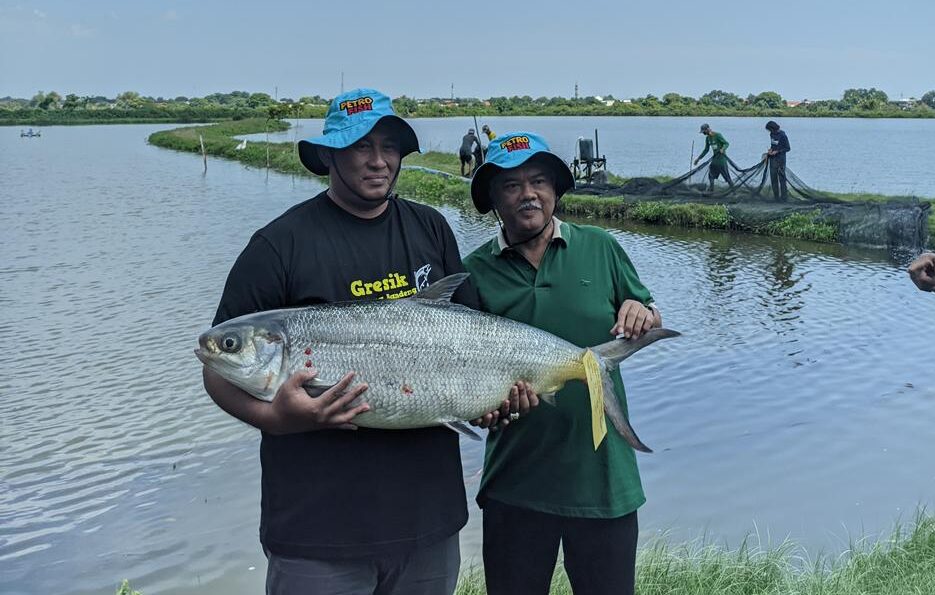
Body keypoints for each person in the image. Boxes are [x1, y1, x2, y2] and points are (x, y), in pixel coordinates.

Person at [202, 88, 527, 595]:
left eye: (389, 147)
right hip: (316, 531)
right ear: (329, 155)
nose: (378, 161)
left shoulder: (430, 227)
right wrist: (277, 418)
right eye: (361, 146)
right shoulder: (278, 245)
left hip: (428, 521)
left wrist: (492, 401)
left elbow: (470, 341)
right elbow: (216, 366)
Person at [463, 131, 664, 595]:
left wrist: (643, 312)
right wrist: (490, 408)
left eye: (539, 181)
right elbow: (469, 382)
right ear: (492, 200)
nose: (528, 194)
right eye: (511, 185)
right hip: (515, 482)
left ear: (555, 190)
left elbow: (648, 314)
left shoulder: (600, 246)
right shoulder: (472, 272)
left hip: (603, 482)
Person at [693, 123, 733, 194]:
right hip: (715, 160)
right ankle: (711, 190)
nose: (704, 133)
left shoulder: (717, 135)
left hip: (722, 160)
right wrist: (698, 159)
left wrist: (723, 149)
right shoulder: (708, 138)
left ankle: (733, 191)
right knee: (711, 175)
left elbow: (726, 143)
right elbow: (706, 150)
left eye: (704, 131)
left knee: (727, 177)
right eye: (703, 132)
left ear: (708, 129)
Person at [765, 120, 791, 201]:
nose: (770, 131)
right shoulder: (772, 134)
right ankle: (776, 197)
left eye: (770, 129)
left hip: (780, 160)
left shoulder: (783, 136)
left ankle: (784, 197)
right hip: (772, 159)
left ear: (774, 128)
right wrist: (770, 150)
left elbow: (788, 148)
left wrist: (777, 151)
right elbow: (773, 145)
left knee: (782, 178)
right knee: (773, 178)